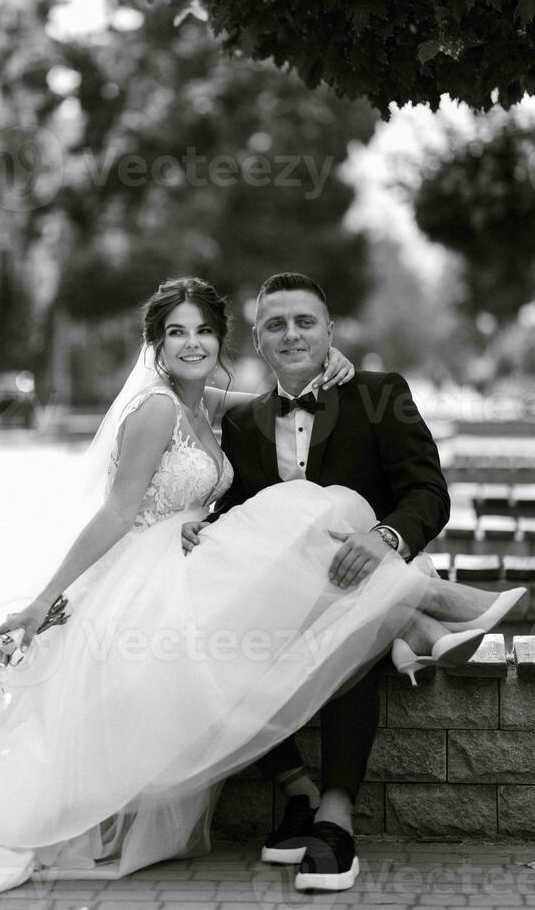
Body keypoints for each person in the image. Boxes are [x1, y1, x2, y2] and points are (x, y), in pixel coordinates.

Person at [0, 277, 523, 909]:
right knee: (303, 518)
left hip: (290, 571)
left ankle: (349, 772)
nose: (192, 344)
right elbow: (122, 511)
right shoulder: (187, 409)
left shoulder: (248, 403)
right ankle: (426, 613)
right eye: (177, 333)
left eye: (204, 331)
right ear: (159, 345)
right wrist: (51, 596)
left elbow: (406, 480)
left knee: (321, 514)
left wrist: (341, 388)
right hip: (161, 576)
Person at [181, 272, 526, 893]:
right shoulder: (244, 423)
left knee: (346, 624)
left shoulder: (378, 393)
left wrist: (385, 538)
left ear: (330, 332)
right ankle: (298, 789)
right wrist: (200, 530)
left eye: (305, 321)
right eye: (276, 324)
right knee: (211, 632)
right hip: (286, 601)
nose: (292, 334)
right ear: (259, 340)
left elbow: (428, 492)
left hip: (364, 576)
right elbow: (240, 514)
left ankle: (335, 817)